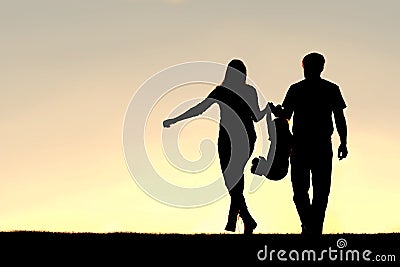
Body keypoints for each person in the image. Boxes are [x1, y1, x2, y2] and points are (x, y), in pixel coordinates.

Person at [163, 59, 267, 234]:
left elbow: (199, 109)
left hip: (238, 138)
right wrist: (175, 120)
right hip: (234, 138)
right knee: (232, 179)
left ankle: (242, 221)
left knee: (232, 179)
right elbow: (257, 116)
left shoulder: (225, 91)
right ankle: (245, 221)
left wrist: (174, 119)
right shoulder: (234, 91)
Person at [278, 52, 348, 237]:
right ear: (322, 67)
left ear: (304, 67)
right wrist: (343, 142)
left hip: (303, 145)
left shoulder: (296, 89)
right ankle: (313, 228)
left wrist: (343, 142)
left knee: (303, 190)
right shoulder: (331, 89)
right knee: (318, 191)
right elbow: (339, 118)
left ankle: (311, 228)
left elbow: (286, 116)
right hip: (319, 145)